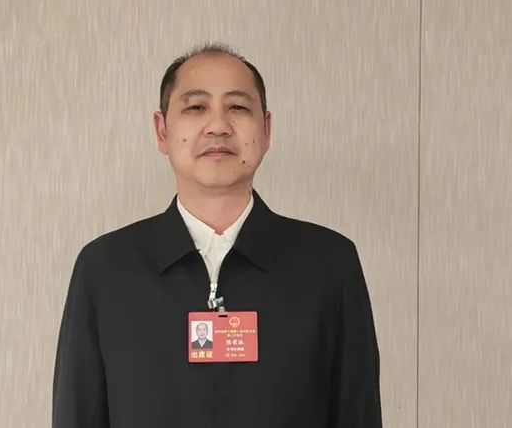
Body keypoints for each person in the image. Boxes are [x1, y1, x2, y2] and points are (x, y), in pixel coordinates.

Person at [52, 42, 383, 428]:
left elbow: (358, 413)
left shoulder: (329, 263)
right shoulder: (105, 268)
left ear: (266, 130)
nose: (218, 126)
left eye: (238, 107)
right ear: (162, 131)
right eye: (196, 107)